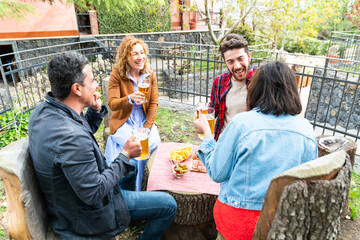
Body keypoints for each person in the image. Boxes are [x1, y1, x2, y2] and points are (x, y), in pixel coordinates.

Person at [28, 52, 177, 240]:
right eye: (92, 80)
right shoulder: (70, 138)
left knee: (130, 174)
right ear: (77, 89)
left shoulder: (45, 111)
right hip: (87, 215)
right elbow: (94, 193)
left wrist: (95, 112)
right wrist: (125, 156)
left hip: (71, 196)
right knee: (168, 204)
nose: (97, 85)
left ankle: (132, 212)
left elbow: (76, 138)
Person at [194, 61, 318, 240]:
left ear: (256, 89)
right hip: (282, 221)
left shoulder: (241, 123)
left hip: (238, 223)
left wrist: (207, 134)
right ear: (292, 90)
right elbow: (307, 181)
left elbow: (217, 172)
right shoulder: (306, 128)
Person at [105, 35, 161, 191]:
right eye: (135, 54)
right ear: (125, 57)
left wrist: (148, 127)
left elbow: (154, 104)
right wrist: (129, 98)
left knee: (154, 143)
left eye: (142, 53)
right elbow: (112, 104)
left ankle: (151, 185)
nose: (140, 57)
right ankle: (134, 190)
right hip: (125, 120)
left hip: (144, 120)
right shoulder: (117, 74)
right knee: (136, 147)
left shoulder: (150, 75)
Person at [209, 33, 256, 140]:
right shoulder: (220, 81)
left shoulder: (262, 80)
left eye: (240, 59)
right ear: (225, 62)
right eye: (230, 61)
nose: (237, 66)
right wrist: (203, 118)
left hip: (250, 144)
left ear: (249, 57)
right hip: (223, 141)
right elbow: (213, 110)